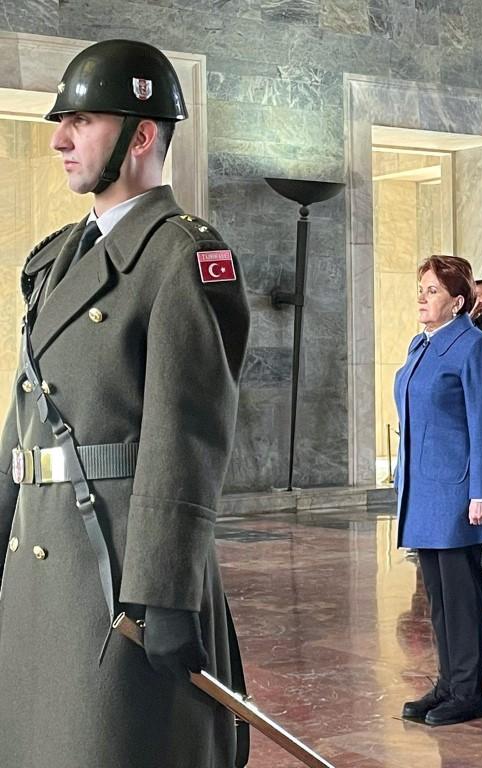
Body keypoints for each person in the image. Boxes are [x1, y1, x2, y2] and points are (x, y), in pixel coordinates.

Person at [0, 40, 251, 766]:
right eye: (61, 122)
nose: (60, 140)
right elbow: (28, 416)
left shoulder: (183, 258)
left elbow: (188, 435)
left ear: (142, 134)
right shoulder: (55, 260)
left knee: (111, 744)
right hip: (41, 560)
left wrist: (165, 590)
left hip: (116, 571)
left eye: (82, 121)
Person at [396, 255, 482, 727]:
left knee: (460, 597)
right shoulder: (421, 345)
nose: (423, 297)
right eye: (421, 288)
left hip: (458, 491)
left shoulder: (473, 347)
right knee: (437, 598)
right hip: (423, 490)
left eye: (433, 290)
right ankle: (447, 682)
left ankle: (467, 691)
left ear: (458, 301)